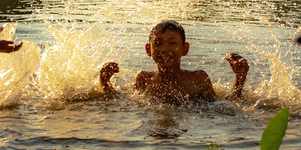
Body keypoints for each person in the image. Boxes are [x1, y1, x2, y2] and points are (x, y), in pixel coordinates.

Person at [98, 20, 249, 102]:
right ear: (148, 50)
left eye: (172, 43)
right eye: (158, 43)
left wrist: (240, 78)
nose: (164, 49)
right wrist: (105, 82)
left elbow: (225, 106)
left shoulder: (198, 78)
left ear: (185, 49)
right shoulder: (144, 78)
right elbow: (123, 103)